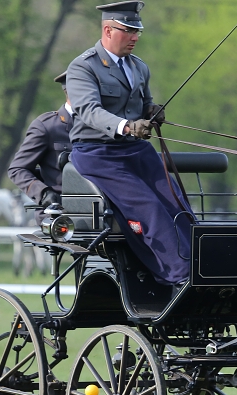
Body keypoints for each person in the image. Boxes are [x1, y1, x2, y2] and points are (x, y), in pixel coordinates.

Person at [65, 1, 193, 286]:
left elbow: (143, 105)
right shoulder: (82, 67)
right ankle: (179, 277)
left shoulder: (139, 68)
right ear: (108, 29)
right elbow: (89, 110)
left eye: (138, 31)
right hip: (98, 154)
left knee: (177, 203)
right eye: (129, 30)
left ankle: (200, 265)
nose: (135, 37)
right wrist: (126, 126)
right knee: (149, 208)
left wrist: (152, 112)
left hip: (135, 150)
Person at [8, 72, 75, 220]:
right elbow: (18, 169)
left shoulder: (104, 126)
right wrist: (43, 193)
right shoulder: (48, 126)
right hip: (61, 216)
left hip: (103, 214)